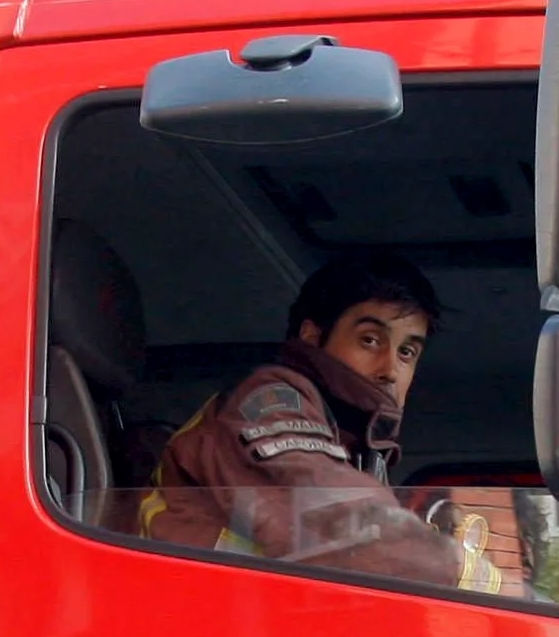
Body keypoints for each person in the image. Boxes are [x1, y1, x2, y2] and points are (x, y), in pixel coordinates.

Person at [138, 252, 485, 592]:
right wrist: (474, 578)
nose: (389, 369)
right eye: (370, 340)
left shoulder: (355, 444)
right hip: (185, 619)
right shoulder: (270, 400)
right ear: (312, 336)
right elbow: (337, 516)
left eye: (406, 352)